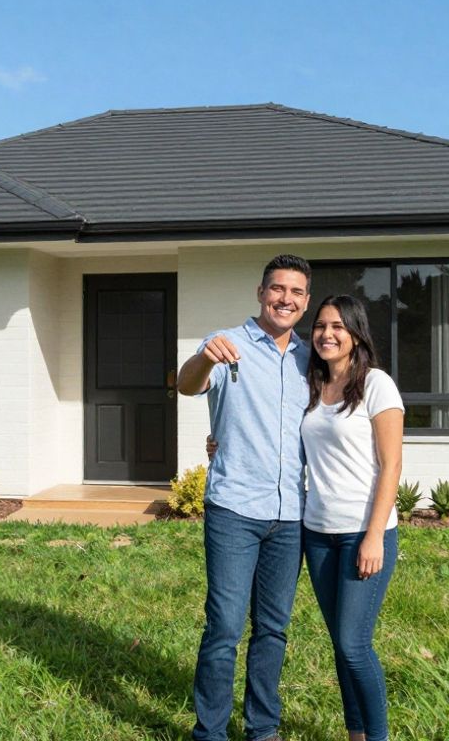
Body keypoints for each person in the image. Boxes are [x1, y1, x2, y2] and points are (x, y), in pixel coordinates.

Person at [176, 254, 313, 741]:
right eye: (278, 289)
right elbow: (186, 385)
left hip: (292, 514)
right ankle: (210, 732)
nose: (286, 299)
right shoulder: (226, 343)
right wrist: (202, 358)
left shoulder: (308, 358)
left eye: (296, 293)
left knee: (273, 630)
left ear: (306, 301)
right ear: (261, 292)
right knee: (225, 629)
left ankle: (263, 729)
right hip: (234, 509)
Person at [299, 294, 404, 741]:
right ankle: (355, 734)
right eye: (321, 325)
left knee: (354, 644)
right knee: (341, 648)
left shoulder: (377, 384)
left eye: (338, 326)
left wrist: (374, 535)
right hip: (317, 533)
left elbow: (392, 464)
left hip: (364, 531)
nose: (327, 334)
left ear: (357, 334)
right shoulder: (312, 386)